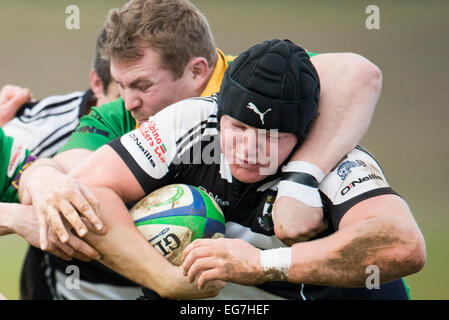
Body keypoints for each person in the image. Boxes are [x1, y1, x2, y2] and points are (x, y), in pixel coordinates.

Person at [18, 0, 384, 299]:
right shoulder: (116, 116)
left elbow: (359, 75)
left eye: (142, 85)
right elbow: (77, 183)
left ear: (197, 72)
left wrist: (299, 180)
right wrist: (44, 175)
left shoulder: (256, 83)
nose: (127, 102)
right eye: (121, 85)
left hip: (326, 276)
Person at [0, 28, 121, 300]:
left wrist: (41, 178)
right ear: (97, 85)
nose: (135, 112)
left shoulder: (189, 126)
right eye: (123, 96)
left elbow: (23, 173)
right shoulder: (37, 131)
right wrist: (15, 218)